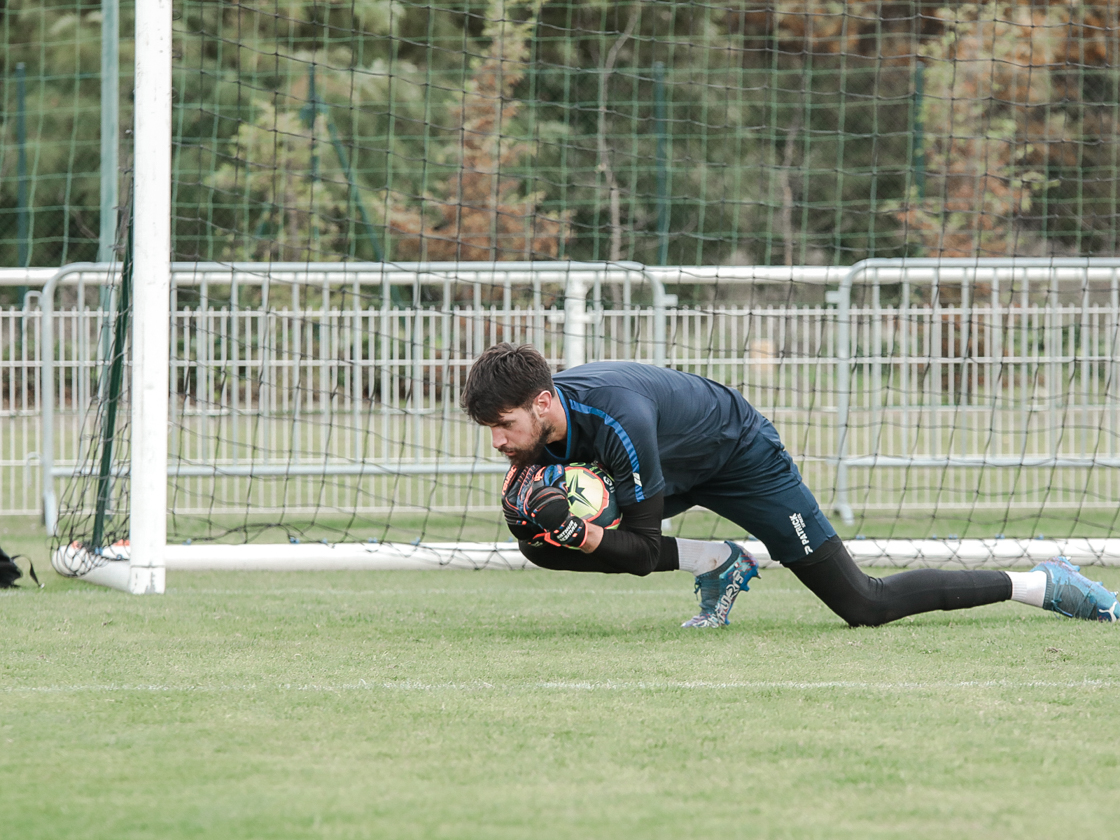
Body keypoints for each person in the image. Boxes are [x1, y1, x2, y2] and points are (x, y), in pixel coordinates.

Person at [461, 343, 1120, 627]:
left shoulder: (618, 419)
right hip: (676, 467)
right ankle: (720, 562)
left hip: (742, 457)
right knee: (537, 539)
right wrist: (550, 524)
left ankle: (1045, 583)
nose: (497, 441)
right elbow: (557, 522)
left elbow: (635, 550)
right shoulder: (540, 432)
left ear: (545, 402)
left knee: (864, 604)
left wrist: (575, 526)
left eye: (503, 424)